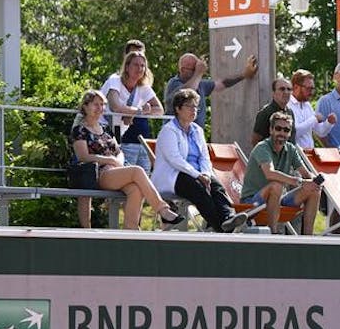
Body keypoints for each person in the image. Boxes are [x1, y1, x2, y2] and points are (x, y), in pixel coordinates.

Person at [69, 90, 184, 230]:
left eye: (102, 105)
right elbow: (83, 156)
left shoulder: (105, 129)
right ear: (85, 106)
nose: (100, 108)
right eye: (95, 104)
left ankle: (131, 230)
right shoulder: (79, 130)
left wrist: (118, 160)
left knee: (135, 189)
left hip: (116, 171)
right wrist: (110, 160)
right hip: (99, 174)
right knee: (137, 170)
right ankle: (163, 210)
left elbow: (119, 151)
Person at [152, 88, 247, 233]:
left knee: (217, 187)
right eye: (189, 106)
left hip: (197, 173)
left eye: (196, 106)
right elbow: (175, 159)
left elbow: (204, 157)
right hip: (176, 175)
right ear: (178, 109)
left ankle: (228, 217)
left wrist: (206, 175)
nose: (194, 110)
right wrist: (198, 175)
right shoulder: (168, 131)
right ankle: (221, 228)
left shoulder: (197, 130)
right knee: (198, 188)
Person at [241, 112, 321, 235]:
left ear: (289, 133)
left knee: (314, 189)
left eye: (286, 130)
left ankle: (308, 238)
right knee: (276, 185)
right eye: (278, 128)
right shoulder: (262, 147)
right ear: (271, 130)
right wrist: (299, 181)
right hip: (253, 202)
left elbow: (305, 174)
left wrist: (314, 181)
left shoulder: (291, 149)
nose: (282, 133)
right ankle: (274, 234)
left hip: (278, 199)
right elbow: (269, 173)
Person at [100, 49, 163, 173]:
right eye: (136, 64)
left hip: (116, 136)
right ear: (127, 66)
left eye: (142, 66)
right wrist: (138, 112)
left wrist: (133, 113)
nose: (139, 68)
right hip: (99, 130)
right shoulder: (115, 80)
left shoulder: (144, 88)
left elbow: (159, 110)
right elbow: (115, 106)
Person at [163, 53, 258, 127]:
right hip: (177, 133)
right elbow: (187, 93)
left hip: (194, 134)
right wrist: (198, 73)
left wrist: (244, 75)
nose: (197, 71)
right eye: (194, 69)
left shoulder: (199, 83)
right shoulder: (174, 83)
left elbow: (222, 84)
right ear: (182, 70)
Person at [287, 69, 335, 148]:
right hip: (294, 156)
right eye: (308, 89)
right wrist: (314, 119)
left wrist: (329, 123)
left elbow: (320, 132)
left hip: (309, 155)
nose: (311, 92)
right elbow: (293, 133)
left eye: (313, 88)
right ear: (296, 87)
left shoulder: (307, 105)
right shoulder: (287, 105)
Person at [251, 77, 297, 146]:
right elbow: (255, 141)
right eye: (282, 89)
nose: (286, 92)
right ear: (273, 93)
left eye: (289, 89)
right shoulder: (265, 113)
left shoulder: (290, 112)